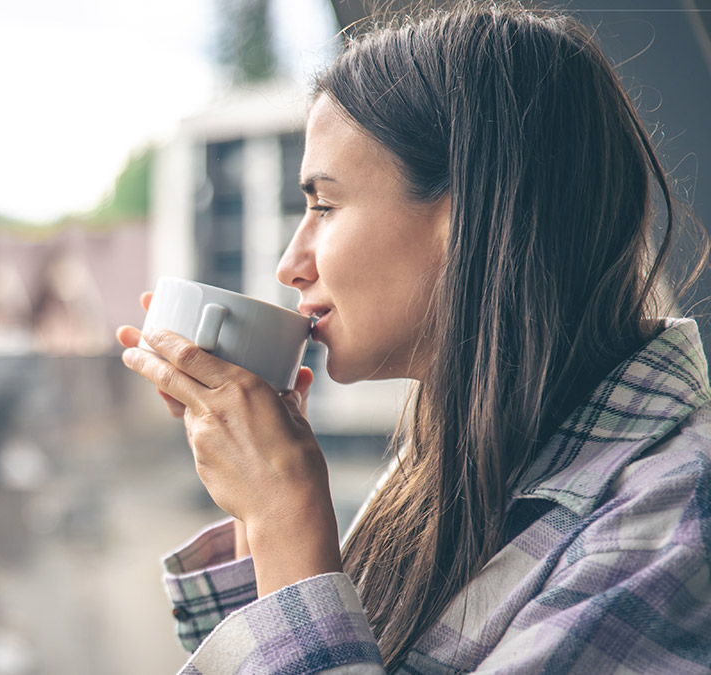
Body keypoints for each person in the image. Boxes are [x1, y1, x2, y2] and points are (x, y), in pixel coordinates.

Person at [116, 3, 711, 673]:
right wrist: (260, 509)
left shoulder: (672, 529)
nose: (290, 262)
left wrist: (287, 513)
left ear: (467, 217)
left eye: (324, 205)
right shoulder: (453, 459)